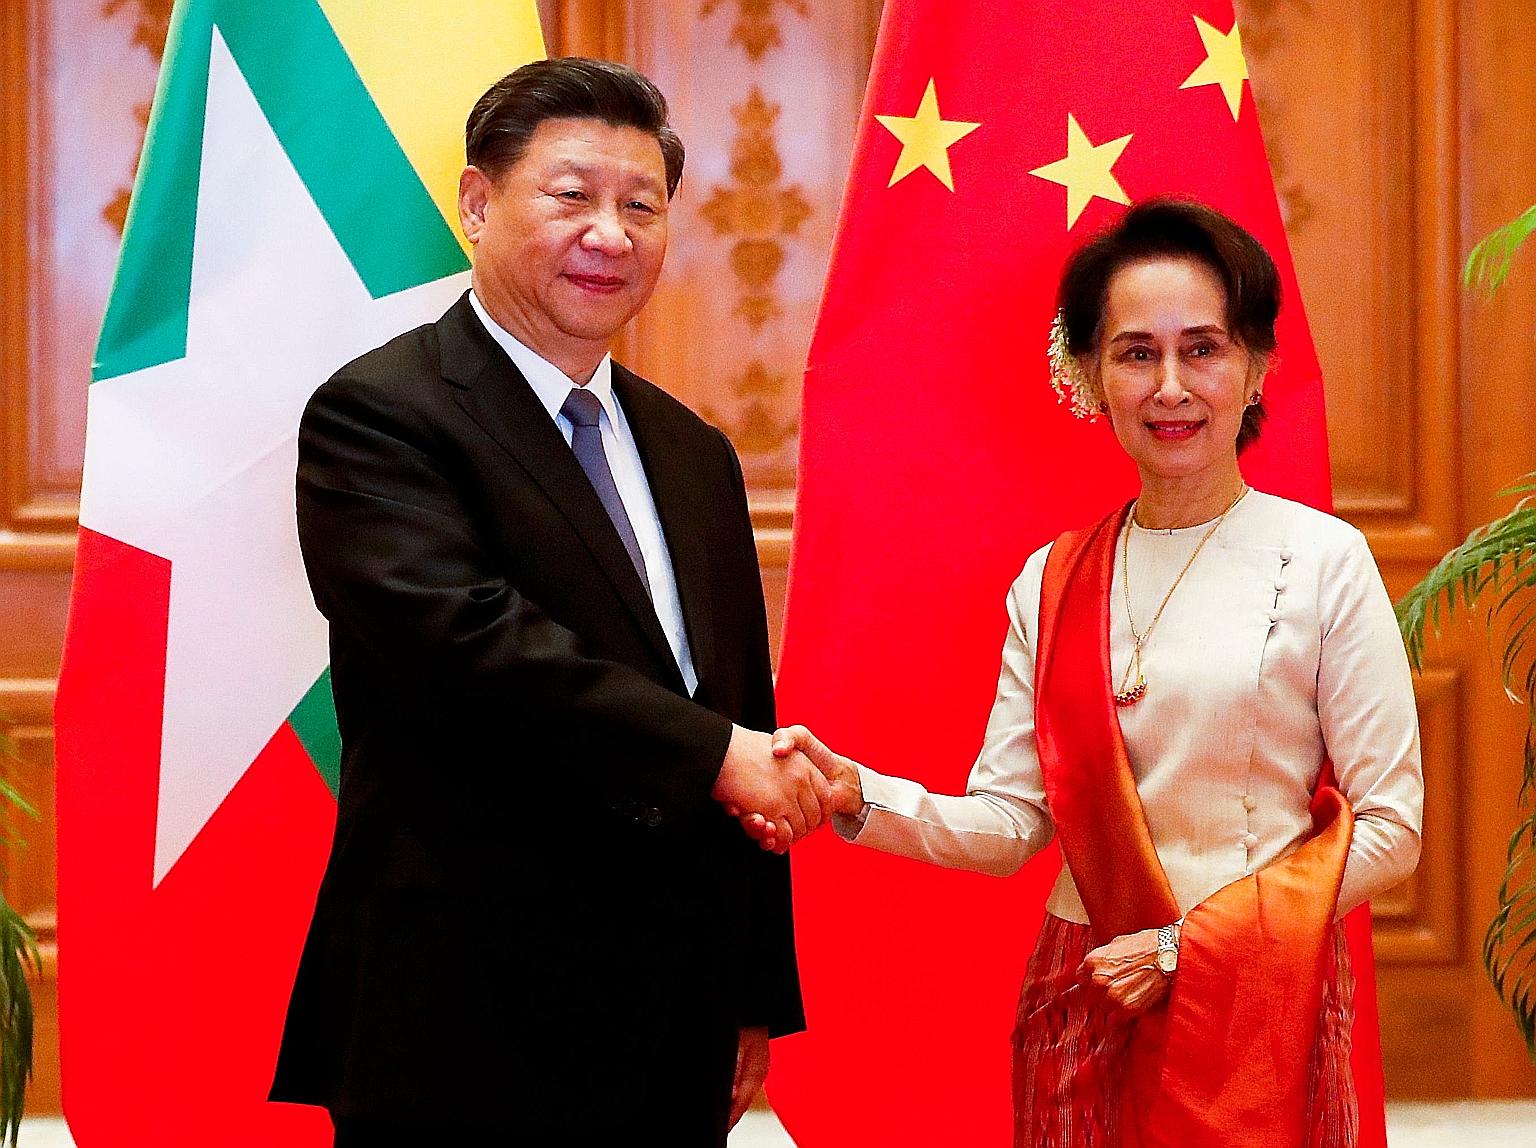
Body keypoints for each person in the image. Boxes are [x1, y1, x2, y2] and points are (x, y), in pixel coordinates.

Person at [761, 198, 1424, 1147]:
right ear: (1089, 375)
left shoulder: (1321, 559)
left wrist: (1185, 949)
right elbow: (1011, 825)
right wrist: (855, 794)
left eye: (1203, 349)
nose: (1170, 388)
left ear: (1257, 366)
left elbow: (1392, 830)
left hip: (1255, 994)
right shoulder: (1055, 577)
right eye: (1136, 353)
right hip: (1087, 985)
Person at [269, 58, 830, 1147]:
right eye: (572, 195)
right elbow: (470, 646)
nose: (610, 234)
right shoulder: (380, 415)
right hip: (460, 1014)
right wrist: (716, 750)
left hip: (673, 1016)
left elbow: (737, 704)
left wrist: (755, 988)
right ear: (478, 203)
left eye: (642, 205)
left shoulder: (693, 450)